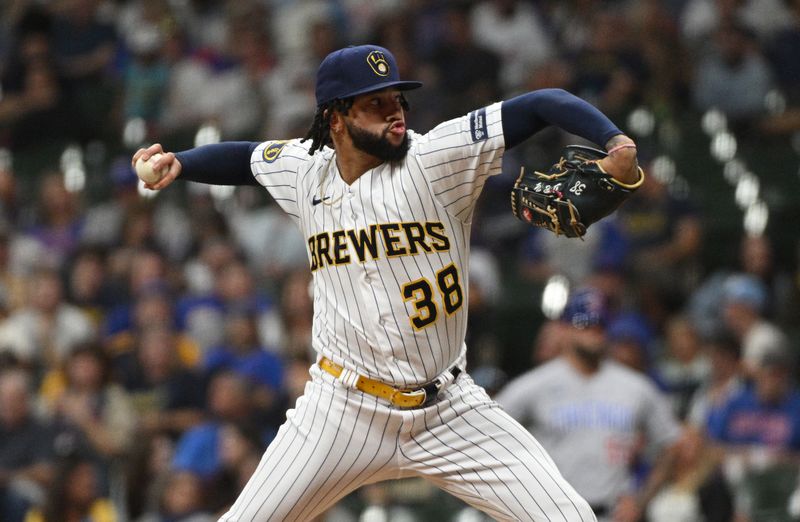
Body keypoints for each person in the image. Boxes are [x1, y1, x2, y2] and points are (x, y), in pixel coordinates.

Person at [133, 44, 642, 521]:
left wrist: (615, 142)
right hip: (341, 410)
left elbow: (543, 102)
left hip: (450, 411)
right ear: (336, 119)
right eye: (375, 104)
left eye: (397, 99)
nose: (395, 112)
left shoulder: (436, 158)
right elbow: (245, 159)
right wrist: (180, 163)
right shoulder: (304, 169)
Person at [496, 288, 682, 522]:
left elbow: (672, 445)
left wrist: (640, 501)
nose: (594, 332)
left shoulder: (635, 386)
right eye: (584, 324)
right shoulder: (535, 385)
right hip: (552, 514)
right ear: (566, 330)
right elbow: (487, 433)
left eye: (600, 325)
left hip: (612, 513)